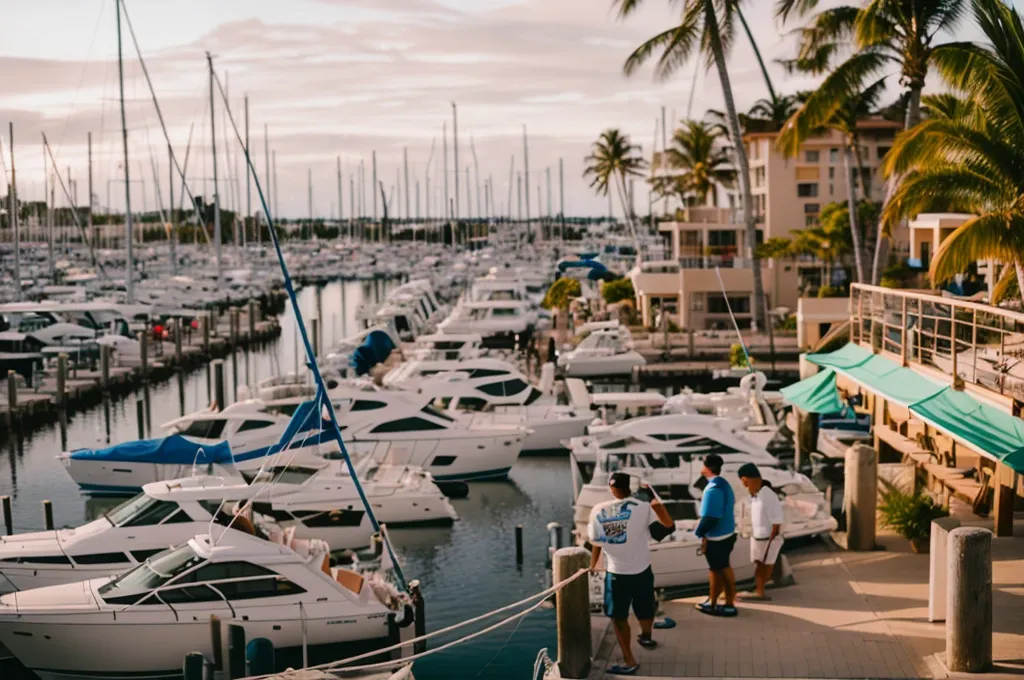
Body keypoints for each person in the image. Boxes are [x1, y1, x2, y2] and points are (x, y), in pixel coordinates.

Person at [588, 472, 674, 676]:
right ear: (629, 487)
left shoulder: (598, 510)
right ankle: (646, 636)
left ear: (611, 488)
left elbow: (595, 542)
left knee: (618, 617)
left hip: (616, 574)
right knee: (645, 608)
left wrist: (593, 565)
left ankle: (629, 660)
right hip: (642, 570)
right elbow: (665, 529)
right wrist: (656, 504)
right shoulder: (643, 508)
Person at [692, 453, 738, 617]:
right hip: (728, 533)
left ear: (707, 468)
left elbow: (711, 517)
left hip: (717, 537)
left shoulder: (713, 489)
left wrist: (698, 533)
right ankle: (723, 600)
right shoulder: (723, 483)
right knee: (724, 567)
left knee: (717, 571)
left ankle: (716, 603)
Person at [737, 462, 784, 601]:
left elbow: (777, 521)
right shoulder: (757, 495)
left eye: (745, 480)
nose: (744, 484)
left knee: (763, 565)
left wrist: (771, 541)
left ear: (753, 478)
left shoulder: (767, 495)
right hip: (759, 536)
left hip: (766, 538)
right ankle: (759, 589)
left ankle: (760, 592)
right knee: (759, 564)